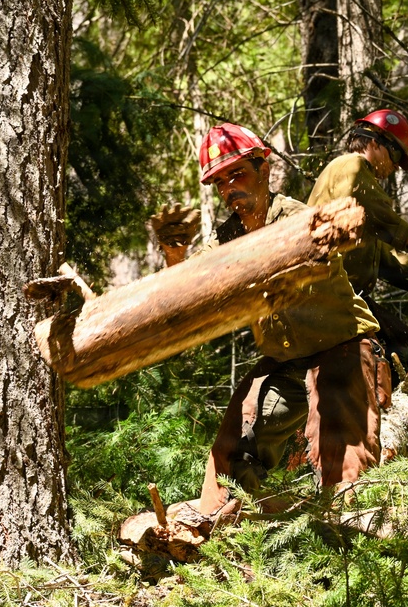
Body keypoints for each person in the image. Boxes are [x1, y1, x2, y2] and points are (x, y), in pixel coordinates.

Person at [149, 123, 388, 516]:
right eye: (220, 182)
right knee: (231, 453)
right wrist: (175, 257)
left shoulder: (298, 219)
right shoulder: (227, 237)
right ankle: (232, 529)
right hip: (285, 362)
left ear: (264, 168)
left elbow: (319, 251)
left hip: (342, 347)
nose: (229, 189)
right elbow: (187, 291)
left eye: (237, 174)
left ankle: (357, 537)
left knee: (346, 469)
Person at [306, 110, 408, 354]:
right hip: (328, 300)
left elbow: (383, 256)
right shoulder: (351, 166)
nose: (396, 166)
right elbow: (378, 211)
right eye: (395, 154)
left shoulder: (360, 203)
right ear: (375, 142)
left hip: (344, 299)